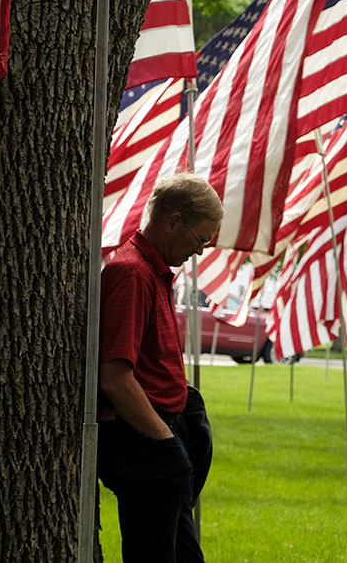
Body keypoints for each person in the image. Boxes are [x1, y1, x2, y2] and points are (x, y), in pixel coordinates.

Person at [97, 173, 223, 563]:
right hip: (143, 442)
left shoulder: (153, 271)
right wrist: (165, 444)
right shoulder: (131, 274)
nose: (200, 251)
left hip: (166, 433)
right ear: (172, 222)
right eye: (200, 239)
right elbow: (115, 377)